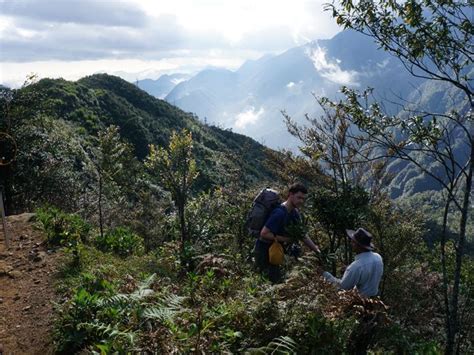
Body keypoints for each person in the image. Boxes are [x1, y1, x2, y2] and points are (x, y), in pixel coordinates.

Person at [255, 182, 321, 283]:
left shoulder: (294, 213)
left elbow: (302, 234)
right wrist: (286, 239)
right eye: (299, 197)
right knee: (265, 282)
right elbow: (264, 233)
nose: (301, 201)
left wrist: (316, 250)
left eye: (303, 199)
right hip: (264, 251)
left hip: (275, 252)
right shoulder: (279, 213)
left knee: (274, 283)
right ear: (290, 195)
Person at [323, 228, 383, 297]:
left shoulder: (356, 267)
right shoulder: (378, 257)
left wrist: (324, 274)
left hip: (361, 302)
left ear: (358, 245)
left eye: (353, 242)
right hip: (376, 299)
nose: (351, 243)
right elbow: (367, 273)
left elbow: (342, 287)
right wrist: (348, 269)